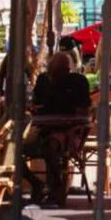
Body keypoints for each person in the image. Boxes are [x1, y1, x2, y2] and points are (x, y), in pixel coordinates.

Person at [23, 52, 92, 204]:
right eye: (51, 72)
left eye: (58, 73)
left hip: (70, 131)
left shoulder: (78, 82)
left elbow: (84, 112)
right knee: (13, 147)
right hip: (42, 129)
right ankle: (36, 183)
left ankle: (56, 188)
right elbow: (36, 104)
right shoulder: (43, 81)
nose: (53, 77)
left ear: (67, 70)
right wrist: (34, 108)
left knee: (51, 144)